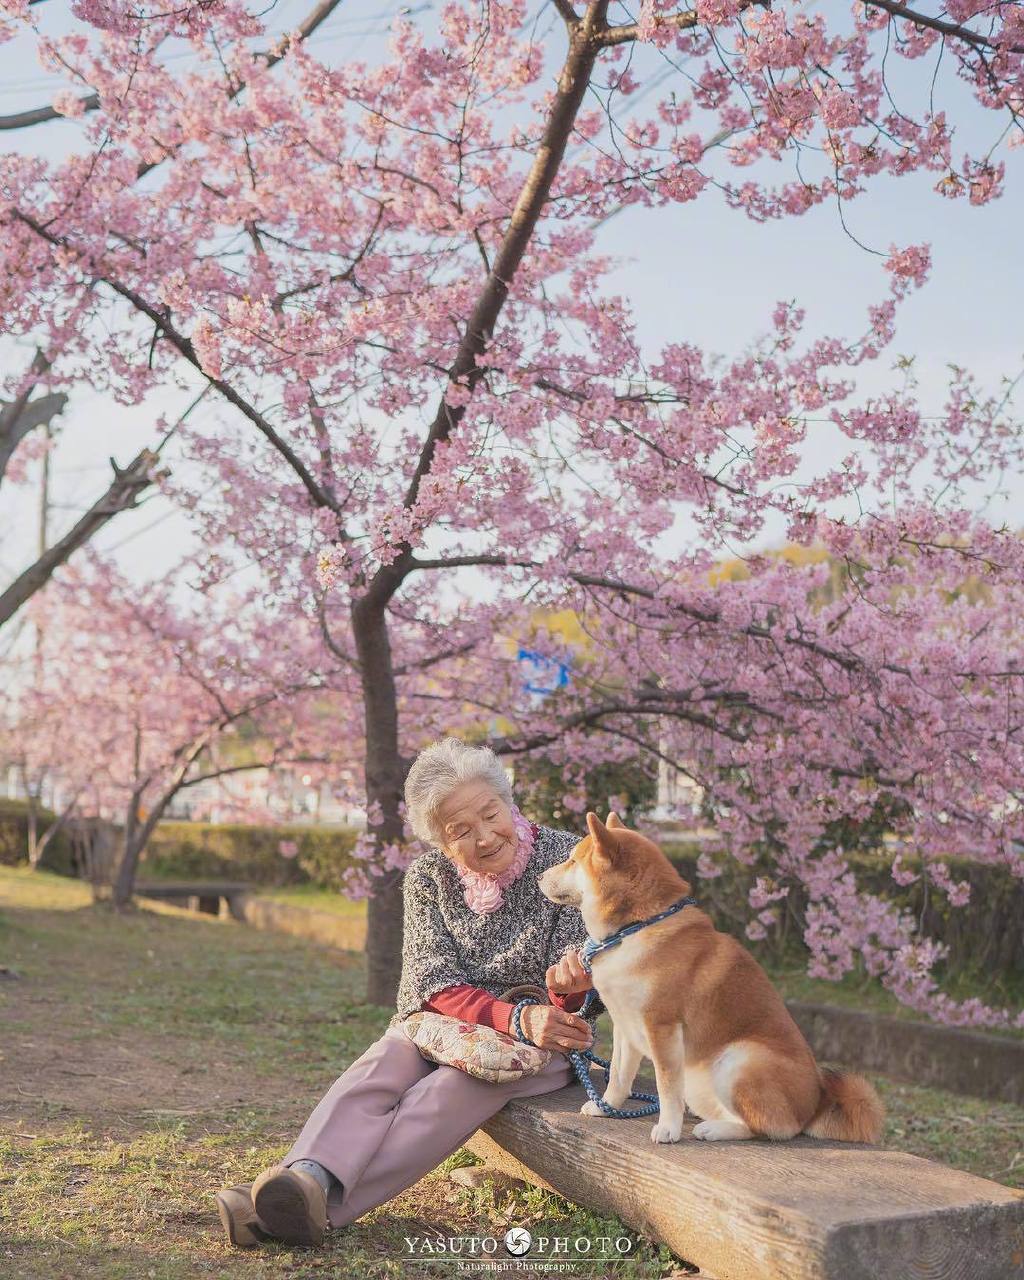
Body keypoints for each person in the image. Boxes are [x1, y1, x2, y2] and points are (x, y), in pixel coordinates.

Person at [215, 736, 597, 1248]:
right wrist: (507, 1017)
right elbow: (431, 981)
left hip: (540, 1044)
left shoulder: (565, 859)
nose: (484, 837)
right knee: (381, 1066)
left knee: (448, 1090)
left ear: (510, 802)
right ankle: (306, 1177)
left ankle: (300, 1210)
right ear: (440, 842)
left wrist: (567, 989)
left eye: (491, 814)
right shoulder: (428, 878)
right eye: (460, 830)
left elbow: (579, 986)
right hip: (448, 1025)